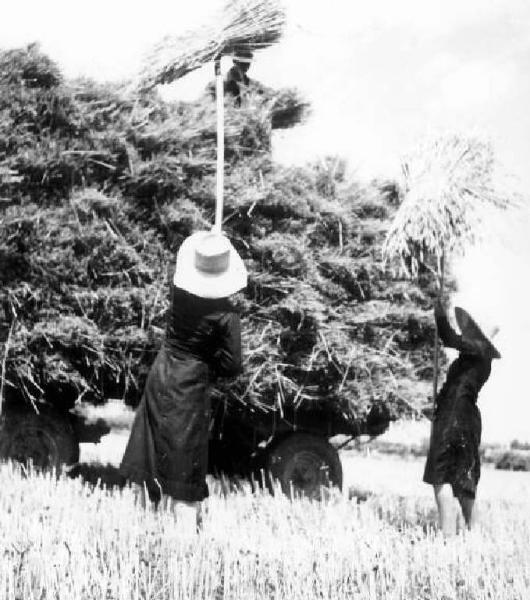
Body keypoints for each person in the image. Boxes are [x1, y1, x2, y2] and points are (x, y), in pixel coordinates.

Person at [119, 230, 247, 534]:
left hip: (161, 375)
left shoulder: (178, 295)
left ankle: (141, 531)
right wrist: (209, 358)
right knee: (184, 463)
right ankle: (184, 541)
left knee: (150, 455)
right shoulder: (227, 316)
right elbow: (232, 366)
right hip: (189, 390)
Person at [423, 298, 501, 536]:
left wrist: (438, 314)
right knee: (464, 482)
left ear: (479, 336)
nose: (465, 332)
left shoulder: (476, 351)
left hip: (453, 417)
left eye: (470, 330)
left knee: (441, 478)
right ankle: (473, 535)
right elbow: (456, 386)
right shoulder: (477, 358)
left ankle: (448, 541)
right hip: (466, 418)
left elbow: (447, 337)